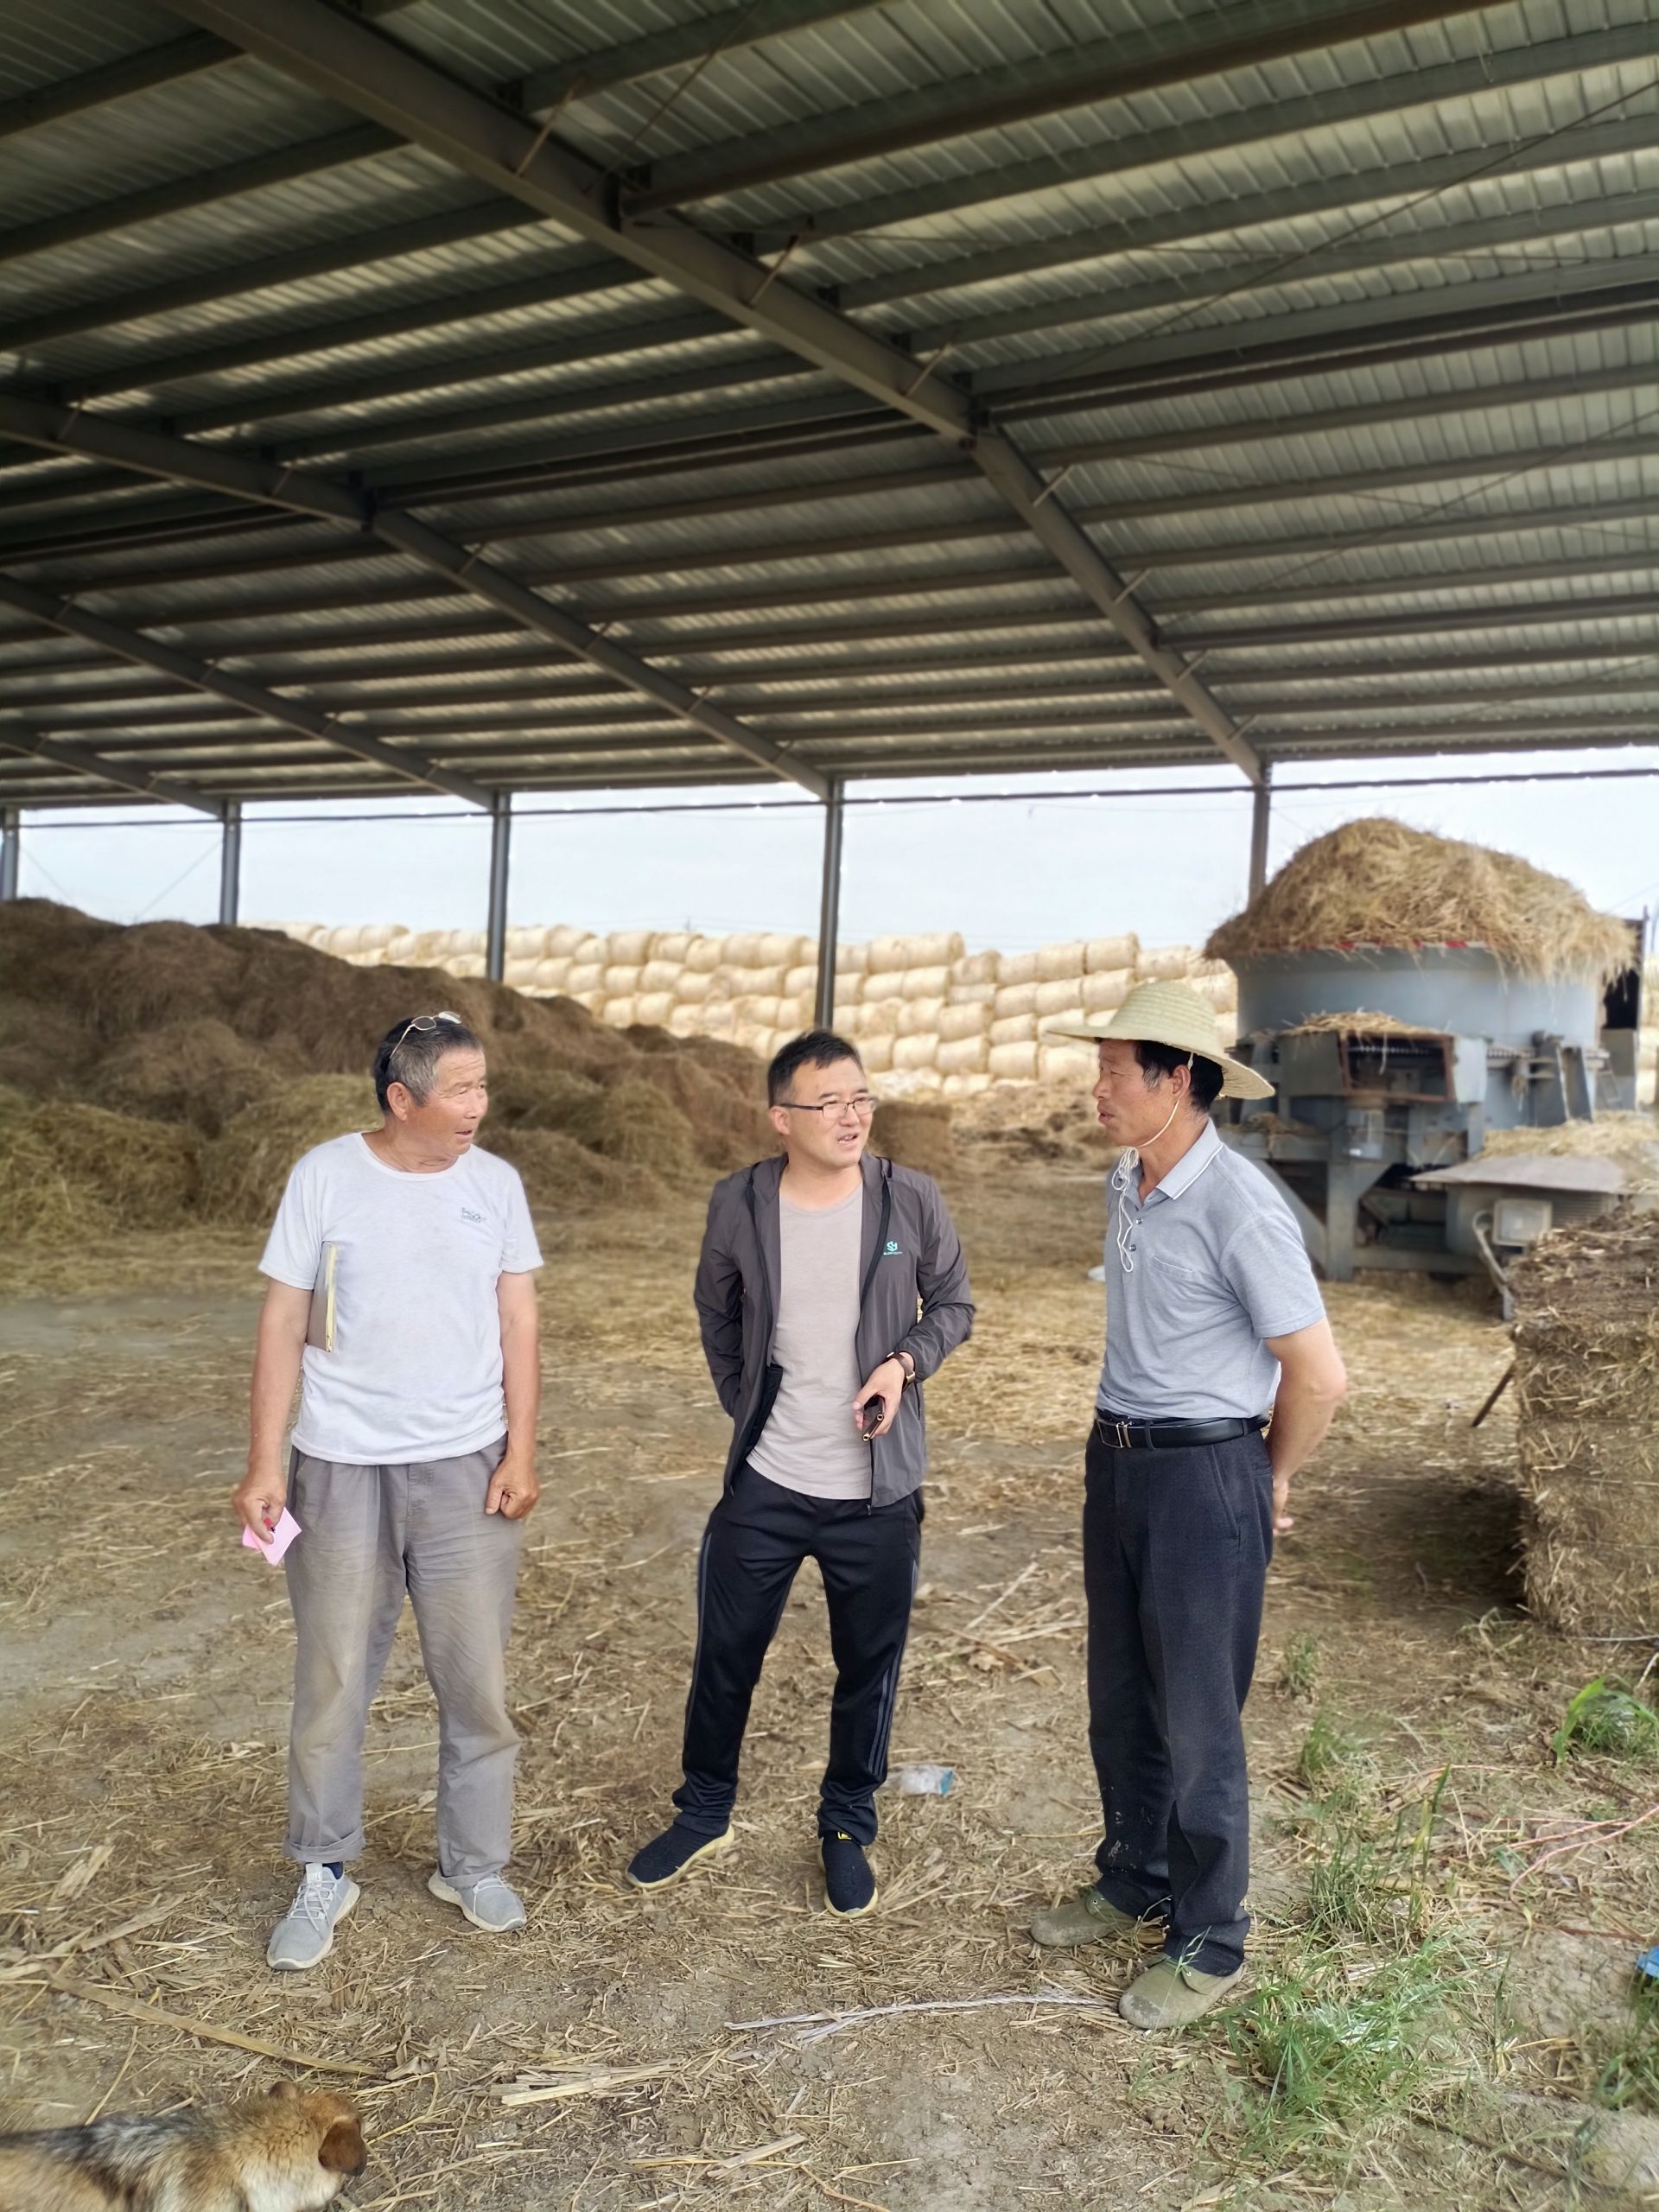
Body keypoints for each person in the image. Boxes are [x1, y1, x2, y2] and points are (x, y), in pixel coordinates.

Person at [1029, 982, 1347, 2029]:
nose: (1097, 1089)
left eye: (1113, 1072)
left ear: (1176, 1081)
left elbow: (1319, 1374)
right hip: (1119, 1459)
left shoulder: (1240, 1205)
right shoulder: (1128, 1179)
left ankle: (1212, 1936)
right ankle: (1136, 1873)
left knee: (1199, 1715)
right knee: (1121, 1694)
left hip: (1206, 1473)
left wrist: (1270, 1476)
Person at [626, 1029, 975, 1916]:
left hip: (876, 1491)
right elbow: (716, 1311)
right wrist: (747, 1401)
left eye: (861, 1098)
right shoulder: (740, 1201)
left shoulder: (910, 1198)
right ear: (781, 1118)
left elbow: (955, 1303)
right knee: (726, 1655)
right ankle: (705, 1810)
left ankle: (847, 1823)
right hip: (769, 1480)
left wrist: (903, 1363)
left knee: (869, 1667)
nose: (852, 1117)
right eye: (829, 1103)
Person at [234, 1010, 543, 1972]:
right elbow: (282, 1320)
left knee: (476, 1680)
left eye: (483, 1086)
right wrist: (265, 1461)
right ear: (401, 1098)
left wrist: (521, 1450)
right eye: (461, 1089)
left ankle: (473, 1863)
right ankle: (323, 1867)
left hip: (467, 1466)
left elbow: (519, 1322)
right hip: (339, 1465)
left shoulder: (495, 1184)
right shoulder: (325, 1175)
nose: (479, 1106)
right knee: (332, 1676)